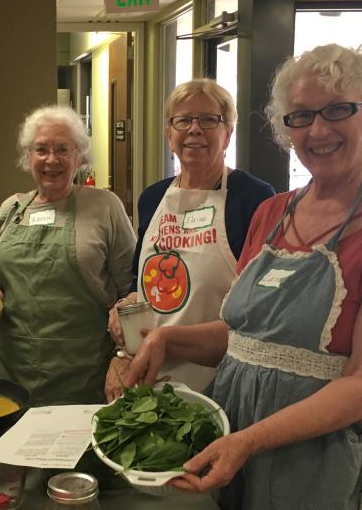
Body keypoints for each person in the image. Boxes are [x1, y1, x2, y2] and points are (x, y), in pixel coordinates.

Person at [127, 44, 362, 510]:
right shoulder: (274, 212)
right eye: (300, 116)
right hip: (244, 437)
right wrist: (166, 342)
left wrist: (251, 440)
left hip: (340, 449)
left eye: (338, 110)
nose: (318, 129)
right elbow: (246, 338)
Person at [104, 79, 274, 401]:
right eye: (183, 120)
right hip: (148, 374)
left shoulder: (254, 198)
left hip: (219, 379)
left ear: (228, 133)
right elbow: (139, 287)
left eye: (209, 119)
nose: (194, 129)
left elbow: (258, 311)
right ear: (170, 135)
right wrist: (122, 342)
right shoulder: (153, 197)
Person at [0, 105, 135, 406]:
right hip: (10, 372)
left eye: (63, 149)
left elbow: (131, 289)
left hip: (83, 377)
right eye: (41, 149)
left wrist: (124, 356)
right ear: (28, 157)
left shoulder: (104, 206)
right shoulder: (12, 209)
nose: (52, 159)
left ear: (80, 156)